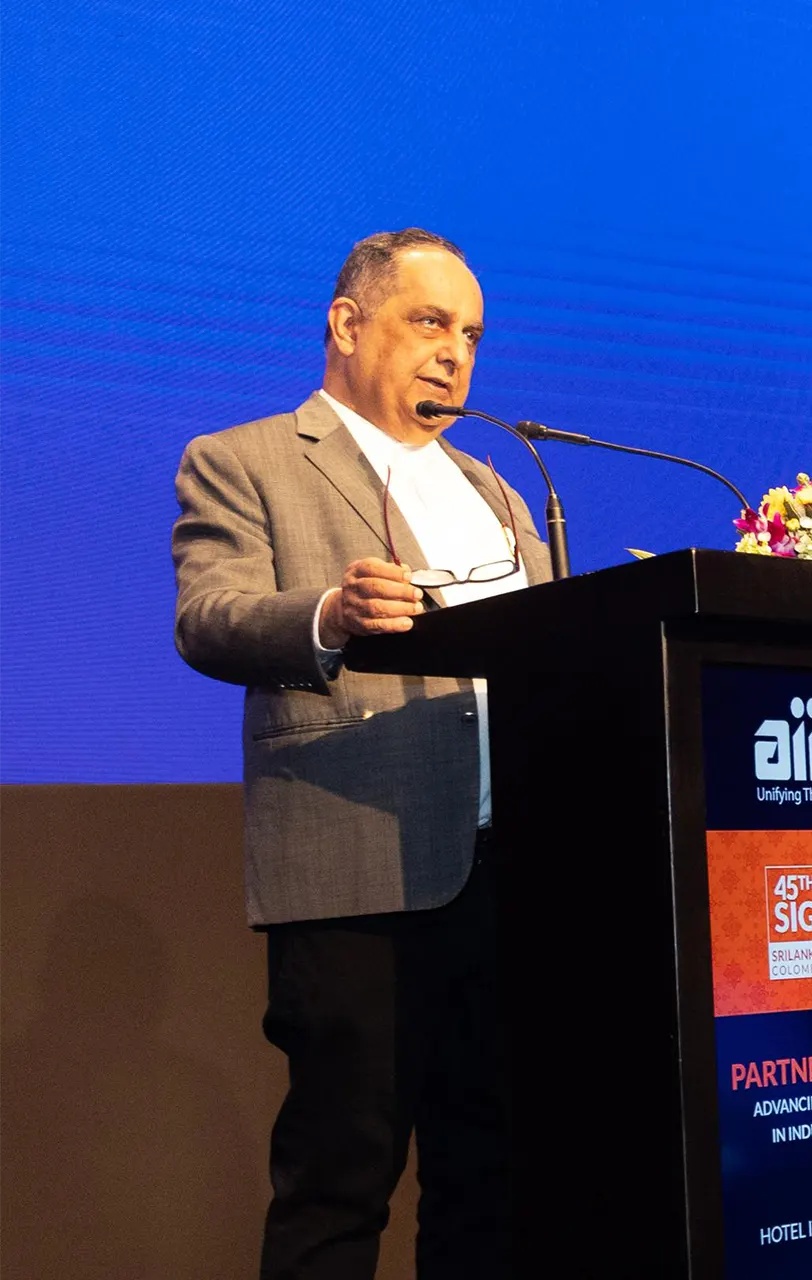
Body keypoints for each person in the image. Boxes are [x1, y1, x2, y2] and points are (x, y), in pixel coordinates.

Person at [172, 228, 552, 1279]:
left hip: (505, 879)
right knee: (338, 1190)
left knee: (491, 1182)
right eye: (429, 322)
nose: (454, 353)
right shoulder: (244, 458)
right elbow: (208, 616)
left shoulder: (494, 486)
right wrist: (330, 615)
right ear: (346, 324)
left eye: (470, 334)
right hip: (359, 871)